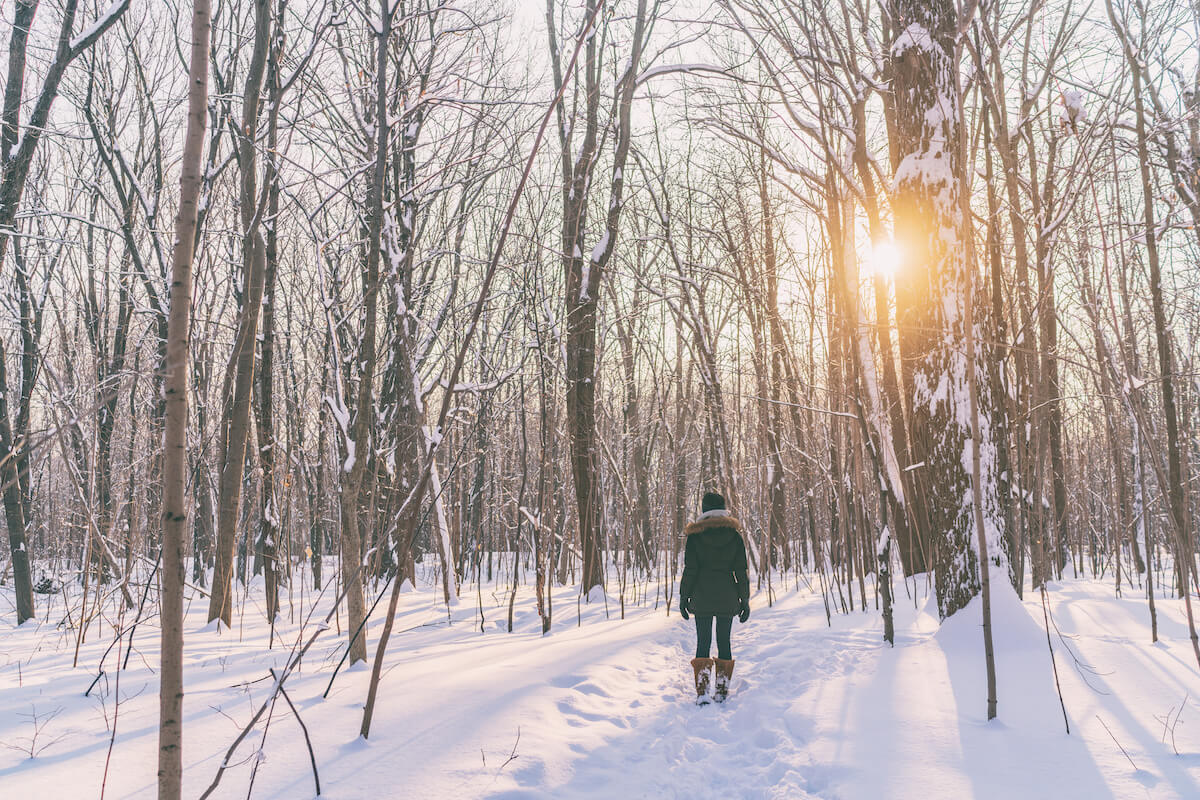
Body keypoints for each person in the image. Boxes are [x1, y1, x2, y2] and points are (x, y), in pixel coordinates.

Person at [679, 491, 750, 704]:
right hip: (728, 596)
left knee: (703, 641)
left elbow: (690, 570)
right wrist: (744, 599)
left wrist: (684, 597)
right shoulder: (734, 536)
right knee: (724, 641)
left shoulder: (695, 537)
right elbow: (740, 571)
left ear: (704, 510)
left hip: (701, 596)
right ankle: (721, 690)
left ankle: (702, 693)